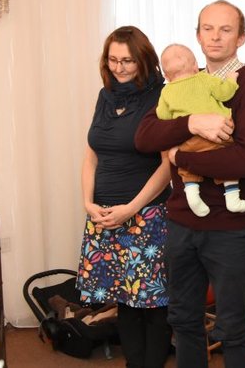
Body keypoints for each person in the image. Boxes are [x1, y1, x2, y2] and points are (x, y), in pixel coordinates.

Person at [135, 0, 245, 368]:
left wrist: (180, 158)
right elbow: (145, 137)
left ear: (241, 38)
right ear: (197, 35)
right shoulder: (179, 80)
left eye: (226, 30)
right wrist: (192, 123)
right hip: (182, 222)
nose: (215, 36)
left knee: (232, 326)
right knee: (183, 320)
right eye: (208, 29)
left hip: (231, 228)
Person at [76, 25, 172, 368]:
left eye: (127, 61)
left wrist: (131, 208)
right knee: (123, 301)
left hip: (147, 215)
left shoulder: (162, 96)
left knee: (153, 304)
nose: (119, 68)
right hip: (104, 216)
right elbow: (91, 157)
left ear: (144, 60)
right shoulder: (105, 96)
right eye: (113, 60)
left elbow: (168, 165)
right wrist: (88, 203)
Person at [157, 43, 245, 216]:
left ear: (166, 76)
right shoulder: (204, 78)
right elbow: (224, 93)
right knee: (226, 163)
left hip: (187, 141)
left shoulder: (166, 91)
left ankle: (193, 196)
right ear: (195, 66)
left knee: (187, 170)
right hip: (216, 136)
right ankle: (232, 199)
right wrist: (231, 79)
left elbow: (162, 116)